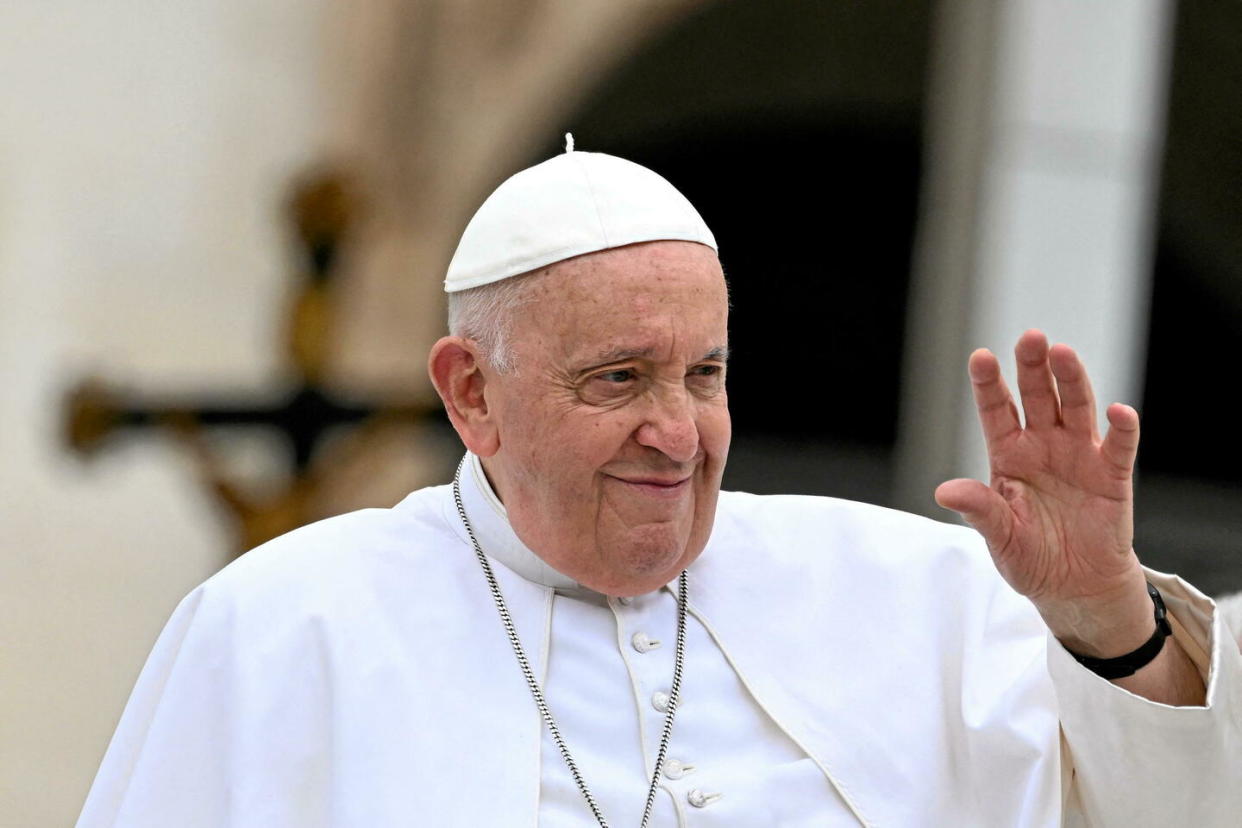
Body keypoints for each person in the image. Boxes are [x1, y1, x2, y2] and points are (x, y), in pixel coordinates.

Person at [78, 144, 1240, 827]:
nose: (677, 435)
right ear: (471, 393)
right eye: (620, 379)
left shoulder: (925, 593)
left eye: (705, 374)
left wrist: (1104, 622)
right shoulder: (282, 627)